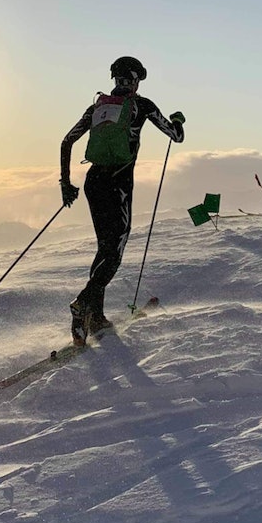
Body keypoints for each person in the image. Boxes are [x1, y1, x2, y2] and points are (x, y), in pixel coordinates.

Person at [59, 56, 185, 345]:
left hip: (93, 182)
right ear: (137, 79)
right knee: (114, 252)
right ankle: (82, 304)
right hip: (119, 184)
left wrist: (66, 184)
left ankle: (96, 317)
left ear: (114, 78)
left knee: (104, 246)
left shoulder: (98, 107)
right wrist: (177, 120)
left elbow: (67, 141)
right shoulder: (142, 106)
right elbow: (175, 136)